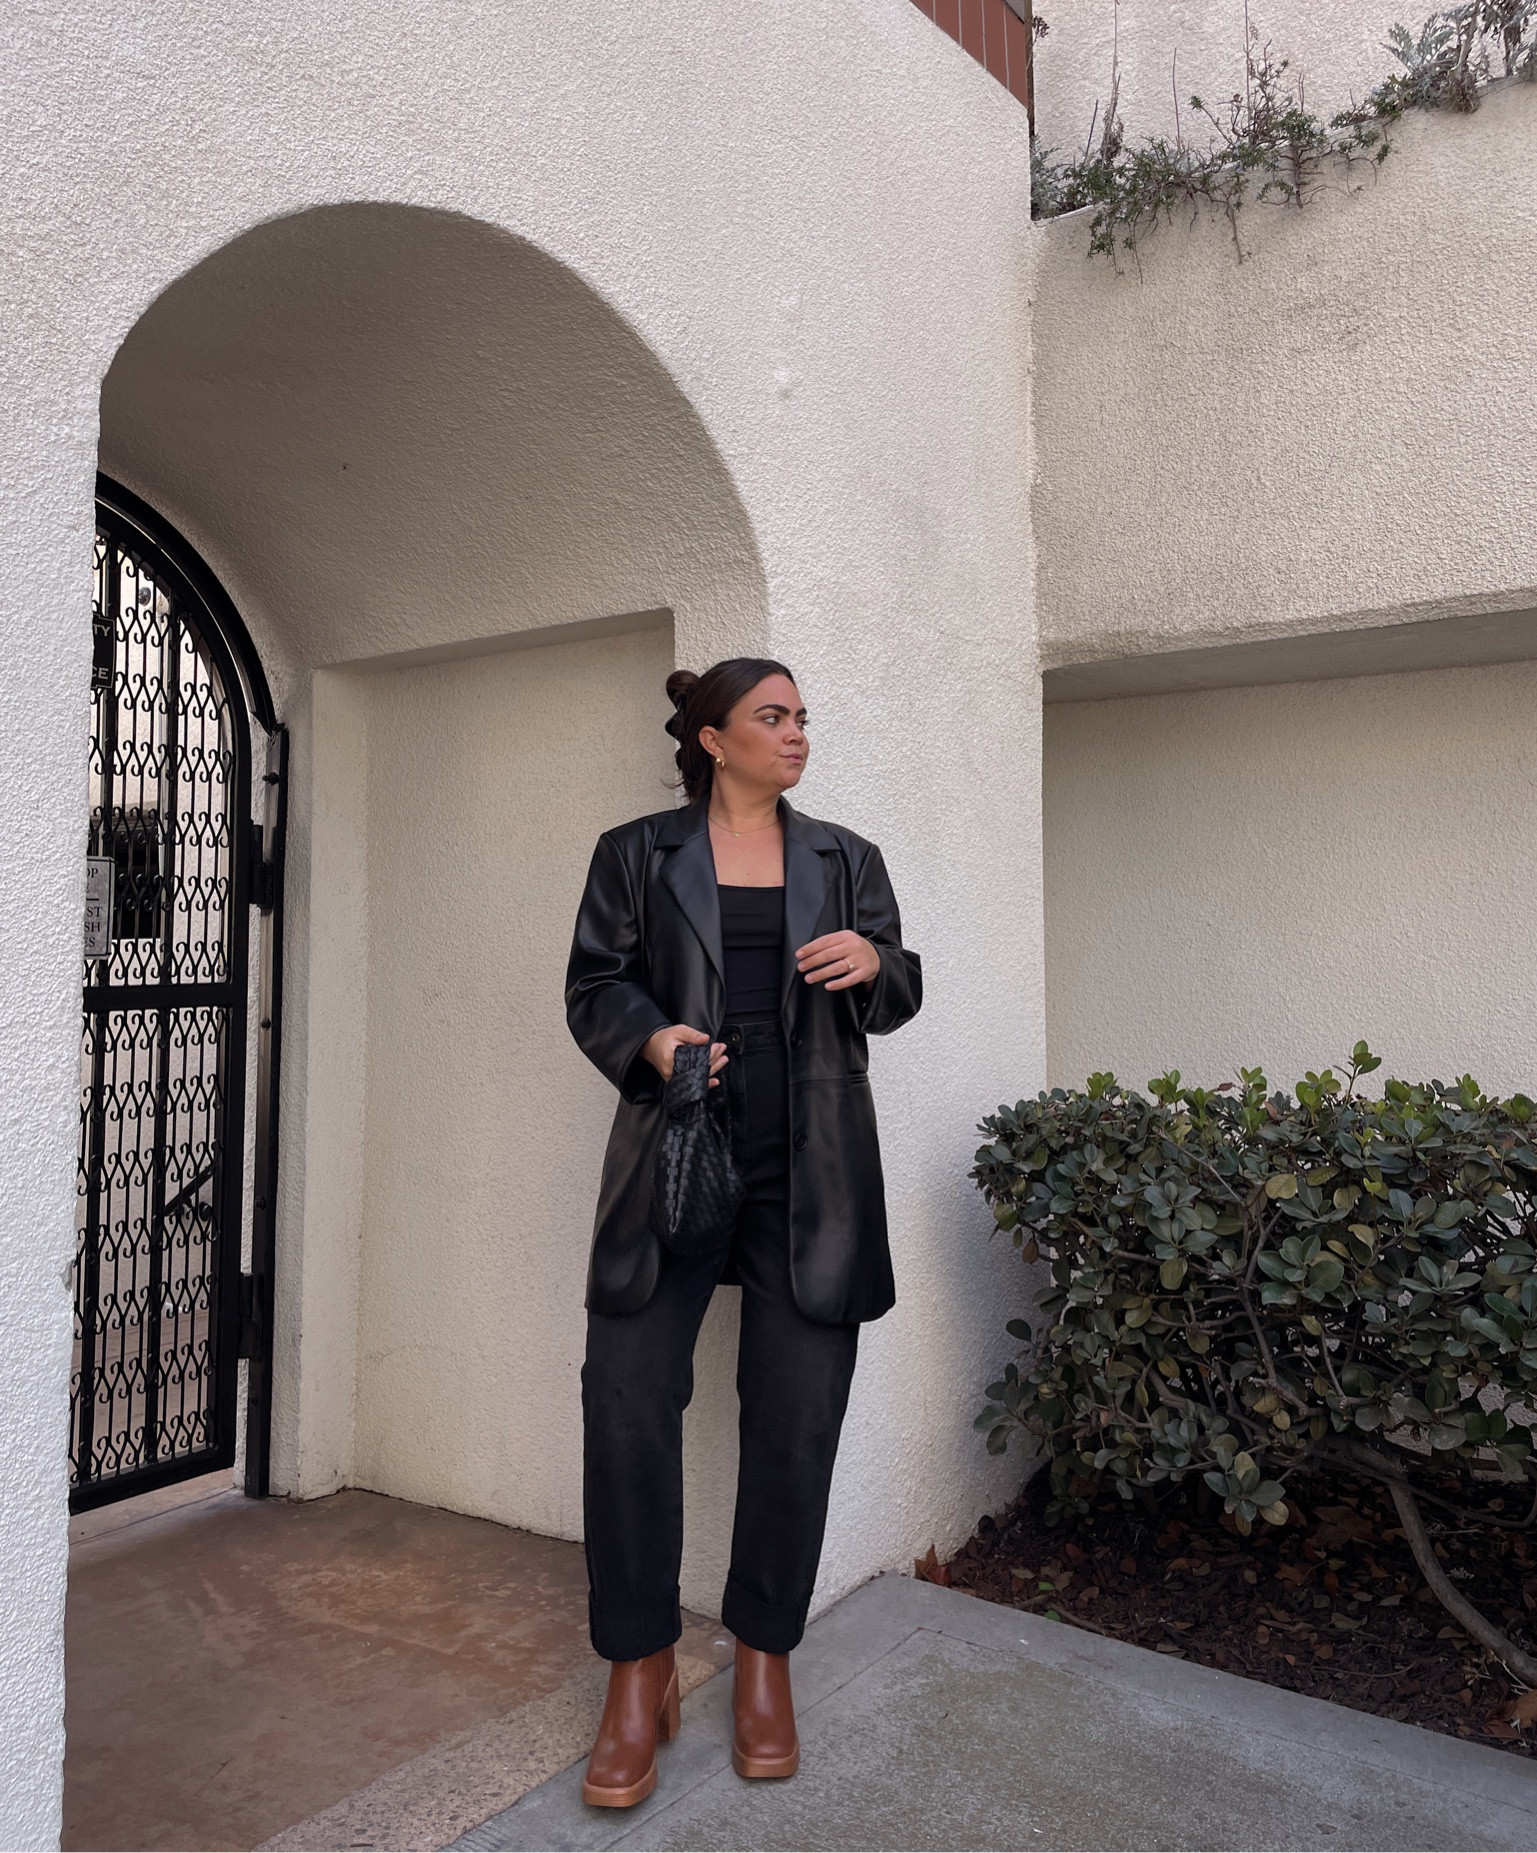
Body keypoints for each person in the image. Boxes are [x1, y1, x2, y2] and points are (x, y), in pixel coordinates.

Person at [565, 655, 922, 1809]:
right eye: (773, 717)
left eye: (804, 718)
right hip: (676, 1148)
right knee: (624, 1400)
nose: (797, 734)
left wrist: (876, 962)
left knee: (795, 1414)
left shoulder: (844, 857)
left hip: (809, 1165)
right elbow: (593, 984)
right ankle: (640, 1666)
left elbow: (900, 982)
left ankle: (764, 1656)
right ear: (713, 737)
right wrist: (656, 1039)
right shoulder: (637, 851)